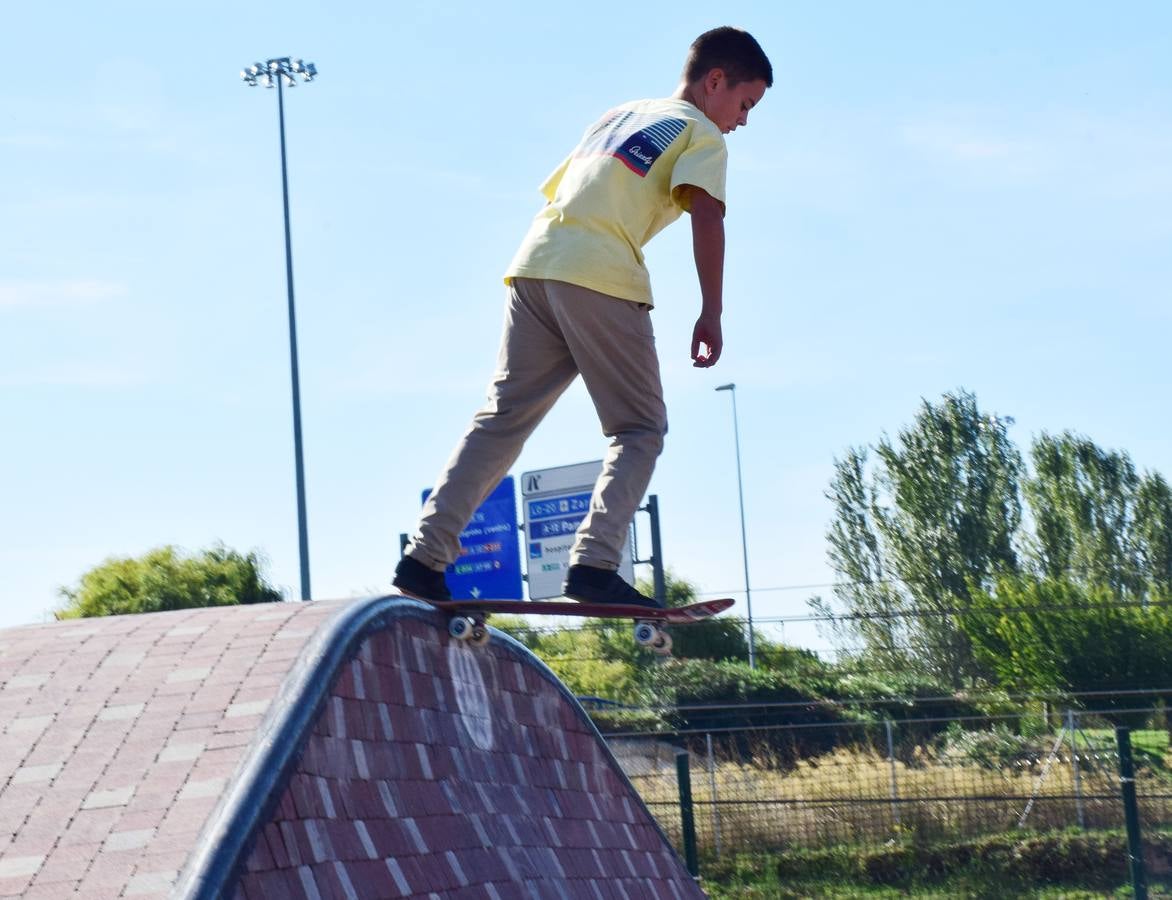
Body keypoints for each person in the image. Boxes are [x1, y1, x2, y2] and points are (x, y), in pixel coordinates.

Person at [394, 26, 772, 608]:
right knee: (639, 429)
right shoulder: (702, 134)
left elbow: (567, 189)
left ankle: (424, 559)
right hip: (600, 275)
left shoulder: (617, 115)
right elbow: (707, 219)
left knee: (502, 420)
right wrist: (712, 311)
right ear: (715, 81)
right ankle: (594, 565)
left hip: (535, 264)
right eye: (745, 104)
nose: (743, 121)